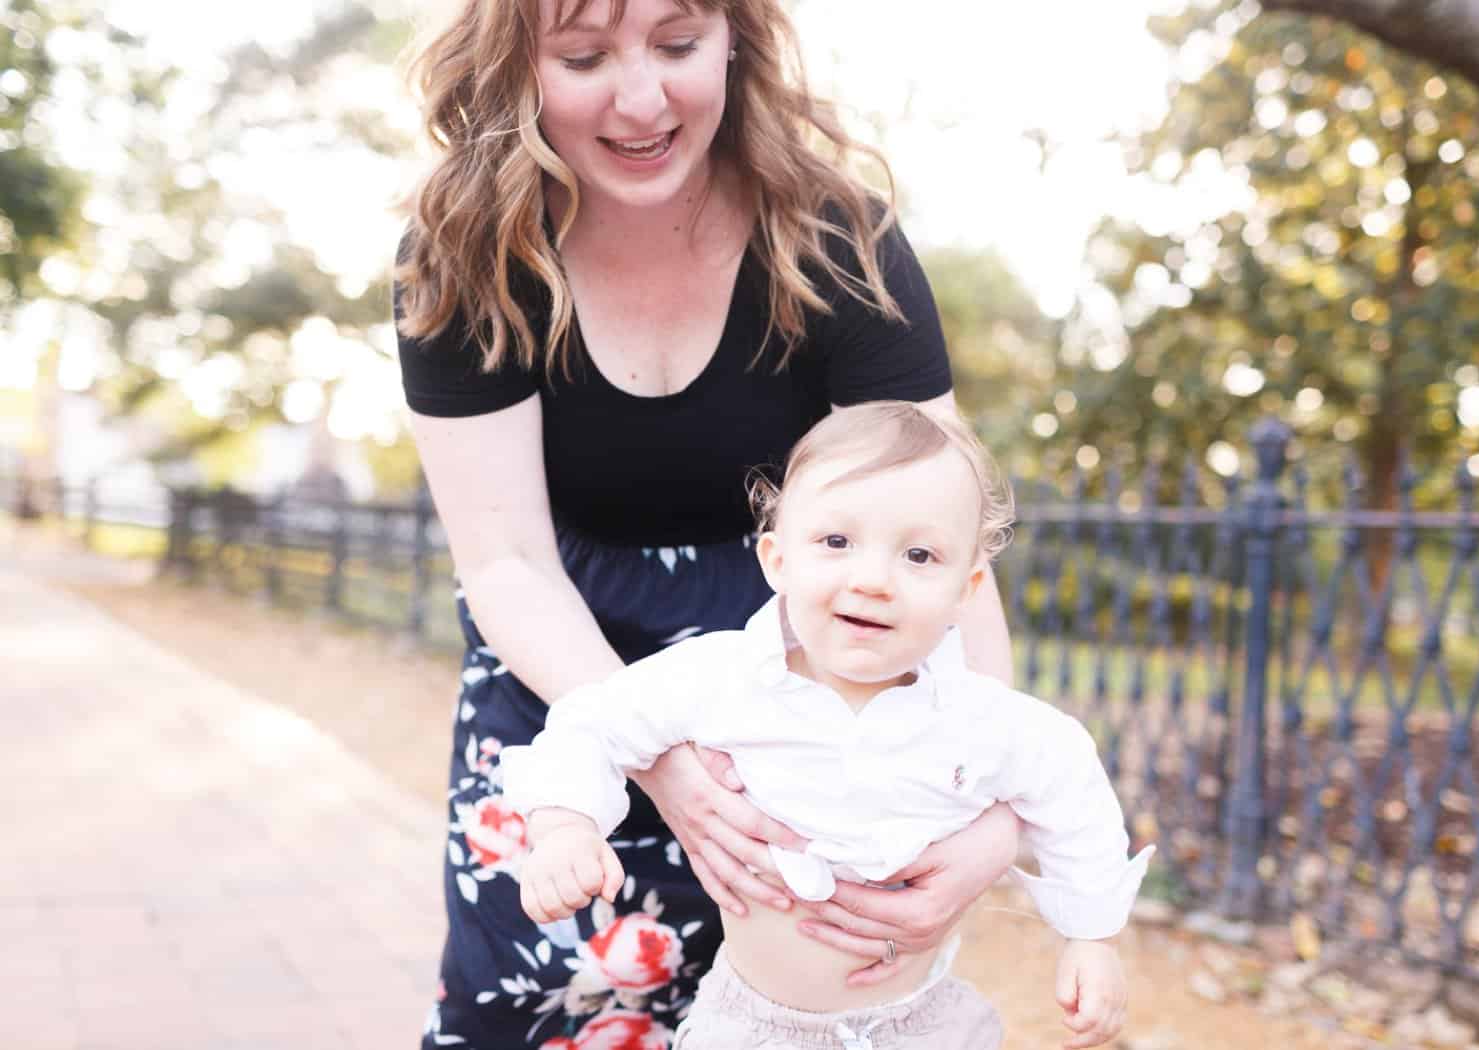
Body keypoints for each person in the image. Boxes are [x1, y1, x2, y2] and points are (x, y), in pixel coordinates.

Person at [393, 0, 1022, 1046]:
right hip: (565, 684)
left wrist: (988, 811)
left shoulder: (838, 241)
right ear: (514, 61)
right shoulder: (464, 254)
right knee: (532, 1009)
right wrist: (658, 756)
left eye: (678, 45)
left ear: (736, 37)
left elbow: (936, 546)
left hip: (798, 684)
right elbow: (505, 561)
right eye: (584, 57)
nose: (642, 100)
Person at [502, 403, 1153, 1050]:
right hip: (750, 1029)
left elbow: (1072, 784)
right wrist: (565, 823)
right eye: (836, 542)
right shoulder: (721, 677)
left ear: (967, 587)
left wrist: (1091, 937)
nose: (872, 579)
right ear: (778, 559)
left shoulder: (983, 718)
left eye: (919, 554)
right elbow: (594, 722)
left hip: (919, 1026)